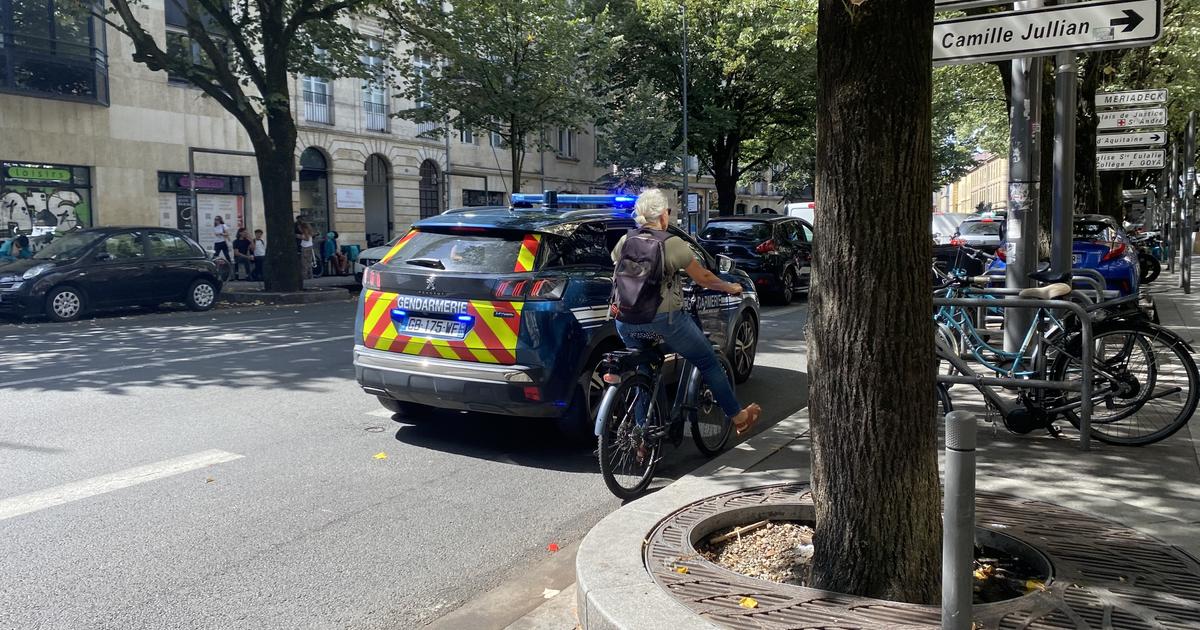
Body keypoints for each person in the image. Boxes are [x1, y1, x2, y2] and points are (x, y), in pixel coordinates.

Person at [610, 188, 761, 435]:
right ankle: (738, 417)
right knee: (706, 361)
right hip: (663, 320)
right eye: (667, 211)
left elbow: (617, 266)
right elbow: (703, 277)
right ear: (662, 215)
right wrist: (730, 287)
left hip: (625, 320)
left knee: (642, 367)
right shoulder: (671, 242)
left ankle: (641, 437)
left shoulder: (627, 240)